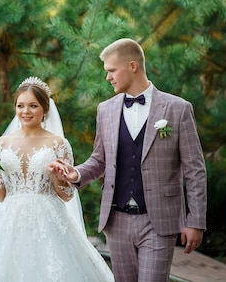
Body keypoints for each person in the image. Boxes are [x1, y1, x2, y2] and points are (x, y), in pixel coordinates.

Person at [50, 38, 207, 282]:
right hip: (117, 220)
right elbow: (100, 160)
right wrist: (77, 173)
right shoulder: (105, 110)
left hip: (158, 221)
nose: (108, 77)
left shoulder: (178, 109)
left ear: (132, 66)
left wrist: (195, 221)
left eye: (112, 70)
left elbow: (195, 170)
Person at [0, 76, 114, 282]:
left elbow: (67, 196)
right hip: (9, 223)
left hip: (48, 220)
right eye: (20, 105)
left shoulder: (58, 143)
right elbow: (2, 195)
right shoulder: (1, 144)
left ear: (45, 109)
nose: (26, 111)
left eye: (33, 105)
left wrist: (57, 177)